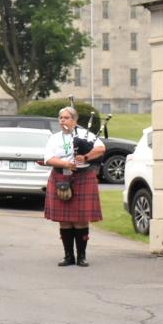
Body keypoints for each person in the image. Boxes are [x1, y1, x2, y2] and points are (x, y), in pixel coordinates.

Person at [42, 107, 105, 267]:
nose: (62, 120)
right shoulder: (54, 138)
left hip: (83, 176)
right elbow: (48, 158)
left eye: (66, 118)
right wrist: (65, 163)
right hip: (60, 176)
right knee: (64, 220)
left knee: (80, 220)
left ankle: (81, 256)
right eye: (60, 117)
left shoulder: (86, 135)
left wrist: (85, 157)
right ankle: (68, 256)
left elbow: (100, 149)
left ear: (74, 120)